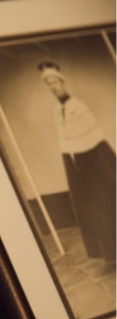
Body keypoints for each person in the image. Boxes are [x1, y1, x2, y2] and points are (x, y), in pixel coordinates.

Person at [38, 61, 116, 271]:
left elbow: (95, 140)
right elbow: (67, 142)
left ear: (62, 82)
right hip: (75, 164)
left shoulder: (78, 106)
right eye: (49, 83)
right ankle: (109, 254)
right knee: (88, 208)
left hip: (94, 159)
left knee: (106, 201)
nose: (53, 86)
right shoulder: (57, 111)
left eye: (55, 81)